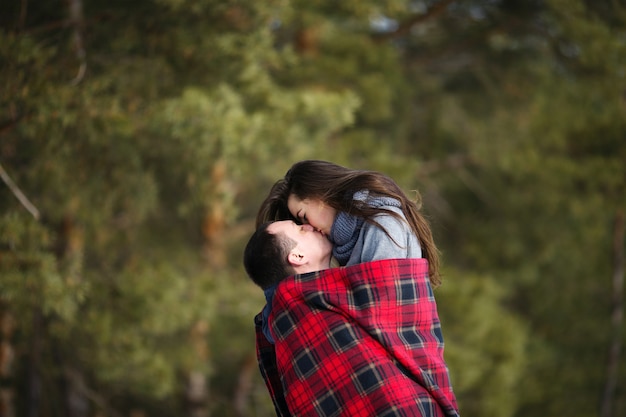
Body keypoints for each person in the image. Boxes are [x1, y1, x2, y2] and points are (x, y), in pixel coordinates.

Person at [242, 220, 460, 417]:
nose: (309, 226)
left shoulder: (284, 325)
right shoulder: (297, 316)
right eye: (300, 229)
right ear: (297, 257)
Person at [256, 159, 441, 287]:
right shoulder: (358, 235)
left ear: (318, 194)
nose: (309, 227)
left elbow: (381, 308)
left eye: (304, 216)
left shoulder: (382, 226)